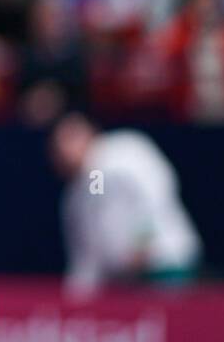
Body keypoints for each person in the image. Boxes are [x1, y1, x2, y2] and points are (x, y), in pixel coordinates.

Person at [49, 112, 202, 301]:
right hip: (123, 283)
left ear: (90, 133)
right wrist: (73, 302)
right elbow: (86, 259)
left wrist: (142, 241)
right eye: (59, 143)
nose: (65, 149)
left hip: (165, 265)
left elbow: (156, 190)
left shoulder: (124, 152)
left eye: (72, 137)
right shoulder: (75, 198)